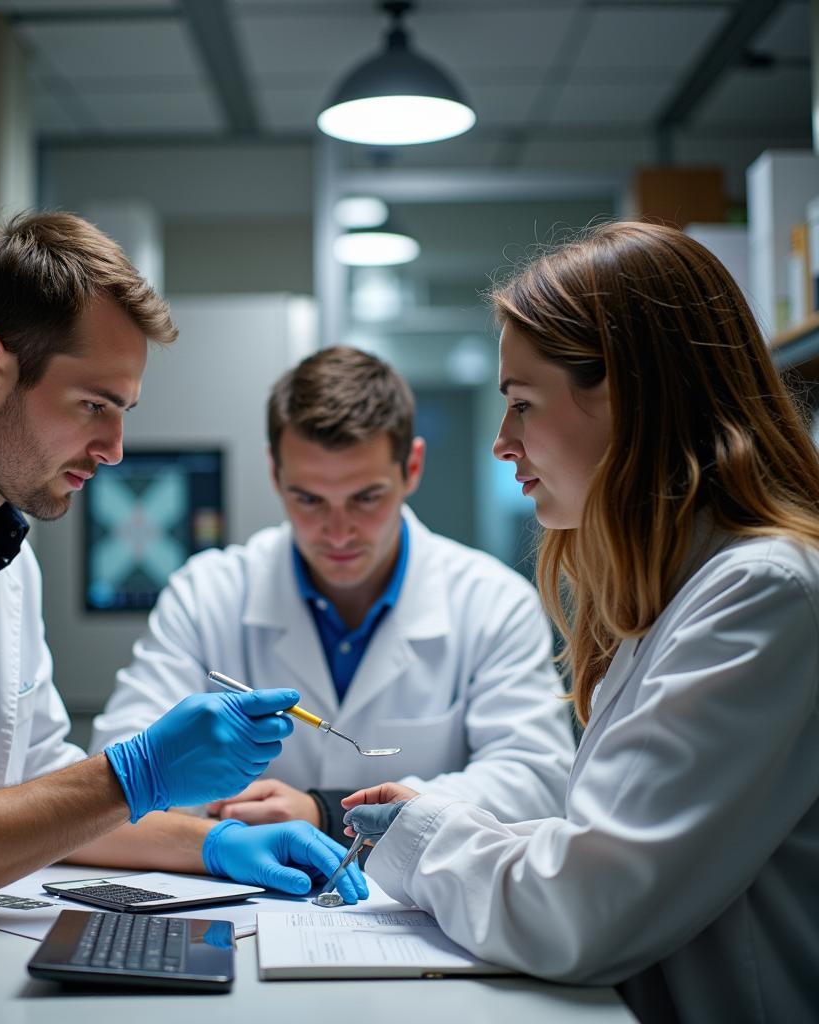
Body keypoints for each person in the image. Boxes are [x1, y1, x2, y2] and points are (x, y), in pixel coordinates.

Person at [0, 212, 365, 907]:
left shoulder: (3, 553)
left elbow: (40, 798)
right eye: (94, 404)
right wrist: (135, 775)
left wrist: (211, 846)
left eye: (122, 409)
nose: (115, 448)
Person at [342, 221, 819, 1022]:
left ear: (630, 401)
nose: (503, 443)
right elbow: (608, 842)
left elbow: (588, 908)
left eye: (523, 405)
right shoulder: (680, 590)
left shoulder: (762, 593)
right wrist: (436, 817)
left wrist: (421, 838)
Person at [91, 346, 574, 841]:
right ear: (275, 474)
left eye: (366, 498)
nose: (339, 532)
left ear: (411, 468)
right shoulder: (206, 595)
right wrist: (206, 798)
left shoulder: (492, 603)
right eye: (309, 499)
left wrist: (325, 815)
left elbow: (535, 783)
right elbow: (120, 765)